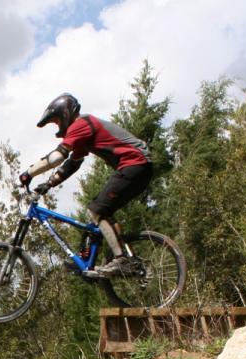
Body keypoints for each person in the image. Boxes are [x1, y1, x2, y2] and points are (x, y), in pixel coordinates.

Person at [19, 93, 153, 278]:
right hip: (138, 166)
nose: (58, 127)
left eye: (57, 122)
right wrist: (48, 184)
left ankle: (123, 260)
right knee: (98, 214)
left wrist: (29, 173)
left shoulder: (80, 124)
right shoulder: (83, 129)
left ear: (66, 114)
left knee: (97, 209)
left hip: (135, 163)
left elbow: (58, 157)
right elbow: (73, 164)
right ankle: (88, 260)